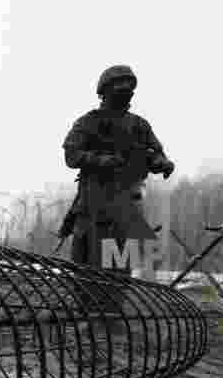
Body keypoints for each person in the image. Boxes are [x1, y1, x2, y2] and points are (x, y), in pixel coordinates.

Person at [59, 65, 175, 274]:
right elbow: (72, 154)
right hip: (93, 207)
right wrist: (100, 160)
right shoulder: (89, 122)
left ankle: (113, 304)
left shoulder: (139, 125)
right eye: (119, 83)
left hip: (127, 208)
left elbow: (154, 153)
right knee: (88, 273)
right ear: (104, 90)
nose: (125, 88)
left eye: (129, 84)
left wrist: (162, 163)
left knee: (118, 275)